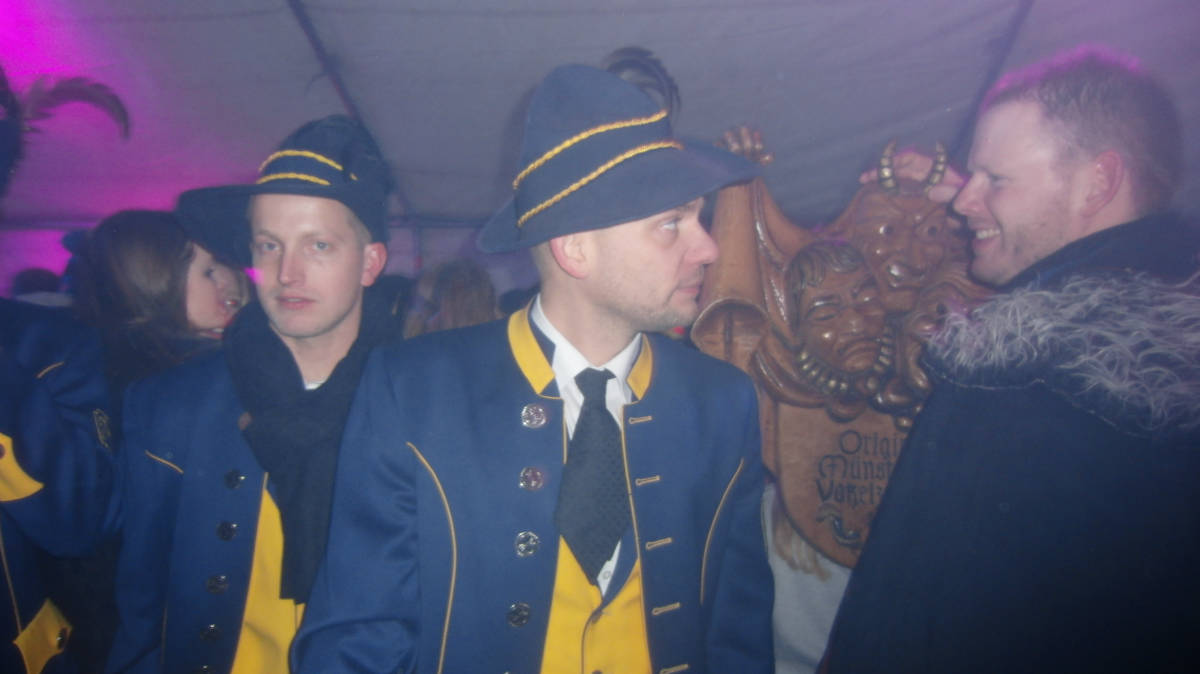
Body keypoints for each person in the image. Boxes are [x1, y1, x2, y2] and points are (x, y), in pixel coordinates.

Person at [292, 63, 774, 673]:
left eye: (699, 219)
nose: (706, 247)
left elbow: (738, 632)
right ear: (575, 248)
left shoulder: (723, 401)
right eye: (671, 224)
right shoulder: (415, 390)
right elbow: (359, 636)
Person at [824, 45, 1200, 672]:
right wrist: (1002, 207)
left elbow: (914, 625)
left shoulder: (1020, 378)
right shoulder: (1163, 353)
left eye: (995, 179)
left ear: (1099, 183)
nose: (961, 202)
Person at [105, 115, 396, 673]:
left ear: (370, 262)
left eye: (318, 245)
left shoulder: (422, 406)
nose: (287, 273)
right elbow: (142, 610)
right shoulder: (172, 406)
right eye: (269, 245)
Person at [73, 210, 247, 413]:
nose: (228, 278)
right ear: (159, 287)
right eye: (208, 272)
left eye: (224, 261)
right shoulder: (196, 379)